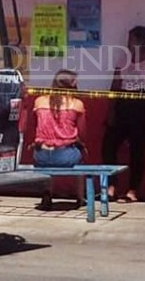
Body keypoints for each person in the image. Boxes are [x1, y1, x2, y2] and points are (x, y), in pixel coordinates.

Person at [103, 25, 145, 203]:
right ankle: (112, 186)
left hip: (142, 106)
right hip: (123, 105)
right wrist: (111, 110)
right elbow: (115, 86)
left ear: (141, 42)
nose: (128, 44)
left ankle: (132, 190)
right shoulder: (123, 60)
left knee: (137, 151)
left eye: (131, 40)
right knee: (108, 146)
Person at [23, 69, 87, 209]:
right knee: (81, 158)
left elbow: (35, 126)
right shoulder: (77, 104)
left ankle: (47, 194)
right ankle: (81, 198)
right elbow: (82, 133)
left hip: (41, 155)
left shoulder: (39, 101)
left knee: (47, 166)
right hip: (65, 156)